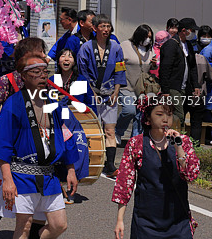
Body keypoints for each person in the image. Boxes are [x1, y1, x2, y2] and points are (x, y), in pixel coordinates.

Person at [0, 45, 78, 239]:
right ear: (24, 77)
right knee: (24, 226)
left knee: (59, 225)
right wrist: (7, 180)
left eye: (45, 71)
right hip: (22, 175)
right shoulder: (14, 103)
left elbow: (65, 134)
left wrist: (70, 169)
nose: (42, 76)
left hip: (49, 177)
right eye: (36, 72)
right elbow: (2, 145)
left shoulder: (52, 101)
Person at [112, 94, 200, 239]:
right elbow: (124, 183)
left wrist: (179, 148)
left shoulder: (183, 141)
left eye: (169, 114)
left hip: (178, 219)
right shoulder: (136, 144)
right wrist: (120, 220)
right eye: (159, 114)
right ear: (148, 118)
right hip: (146, 221)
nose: (165, 119)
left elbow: (191, 175)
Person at [76, 14, 125, 177]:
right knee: (93, 130)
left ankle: (110, 165)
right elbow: (83, 72)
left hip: (110, 93)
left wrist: (116, 91)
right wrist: (91, 92)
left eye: (108, 26)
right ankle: (91, 161)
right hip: (92, 93)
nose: (106, 29)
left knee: (110, 130)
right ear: (95, 28)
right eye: (102, 26)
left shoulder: (116, 47)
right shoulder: (86, 48)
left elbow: (120, 70)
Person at [49, 48, 95, 204]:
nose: (66, 59)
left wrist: (93, 123)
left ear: (74, 61)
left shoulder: (81, 80)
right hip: (56, 122)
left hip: (77, 123)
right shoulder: (52, 80)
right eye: (63, 56)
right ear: (58, 60)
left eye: (70, 56)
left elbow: (89, 105)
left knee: (77, 151)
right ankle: (58, 185)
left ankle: (71, 188)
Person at [158, 18, 201, 131]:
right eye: (192, 30)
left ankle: (179, 137)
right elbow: (165, 69)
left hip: (185, 86)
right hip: (173, 87)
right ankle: (173, 137)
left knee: (184, 112)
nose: (194, 33)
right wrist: (165, 91)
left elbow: (192, 67)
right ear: (184, 30)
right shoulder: (171, 45)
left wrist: (196, 85)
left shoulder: (188, 45)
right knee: (179, 115)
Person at [116, 24, 155, 144]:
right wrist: (118, 81)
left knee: (140, 116)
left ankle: (135, 140)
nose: (148, 40)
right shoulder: (125, 46)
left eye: (150, 37)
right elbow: (118, 65)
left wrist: (154, 65)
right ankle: (118, 132)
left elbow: (149, 69)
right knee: (129, 110)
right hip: (127, 86)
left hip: (142, 89)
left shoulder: (150, 50)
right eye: (146, 37)